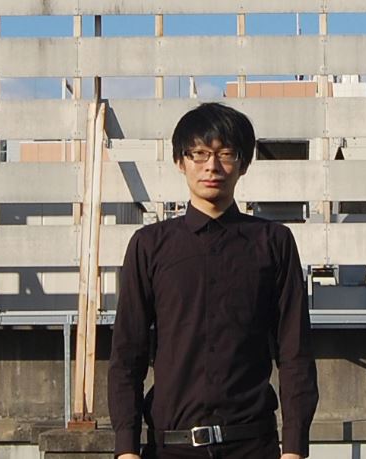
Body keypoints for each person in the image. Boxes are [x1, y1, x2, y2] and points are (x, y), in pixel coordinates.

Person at [108, 103, 318, 459]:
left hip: (253, 445)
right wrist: (126, 448)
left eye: (225, 154)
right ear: (180, 161)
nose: (212, 166)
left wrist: (294, 448)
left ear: (244, 163)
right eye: (200, 154)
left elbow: (295, 351)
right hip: (171, 447)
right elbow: (128, 354)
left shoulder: (274, 242)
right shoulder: (150, 245)